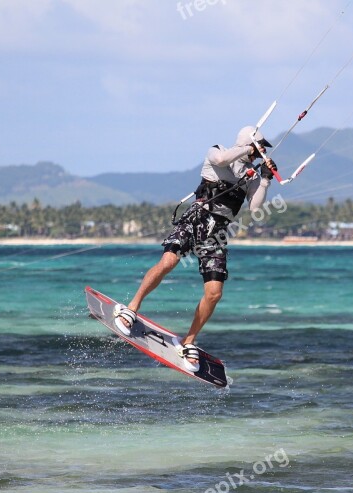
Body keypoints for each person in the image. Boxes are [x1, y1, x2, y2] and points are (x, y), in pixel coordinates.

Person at [113, 125, 277, 371]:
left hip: (218, 232)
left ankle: (189, 341)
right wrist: (248, 149)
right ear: (248, 143)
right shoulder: (217, 152)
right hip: (197, 218)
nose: (259, 153)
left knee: (214, 293)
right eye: (258, 147)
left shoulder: (249, 176)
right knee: (169, 262)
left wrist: (264, 178)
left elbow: (255, 208)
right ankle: (132, 307)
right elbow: (223, 159)